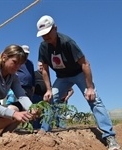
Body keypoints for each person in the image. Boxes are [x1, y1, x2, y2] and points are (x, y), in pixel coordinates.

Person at [36, 15, 121, 150]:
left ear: (55, 28)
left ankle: (109, 137)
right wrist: (48, 90)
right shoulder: (43, 47)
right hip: (62, 78)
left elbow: (85, 64)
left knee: (94, 100)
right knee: (50, 100)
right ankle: (43, 132)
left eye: (47, 33)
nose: (45, 37)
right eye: (42, 35)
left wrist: (90, 87)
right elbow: (45, 70)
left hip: (78, 74)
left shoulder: (67, 42)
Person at [32, 61, 74, 130]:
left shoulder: (47, 75)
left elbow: (71, 90)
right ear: (37, 66)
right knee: (37, 112)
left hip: (45, 97)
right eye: (39, 65)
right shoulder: (34, 74)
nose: (41, 67)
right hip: (36, 96)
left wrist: (66, 97)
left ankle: (45, 128)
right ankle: (36, 128)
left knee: (45, 112)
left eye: (42, 65)